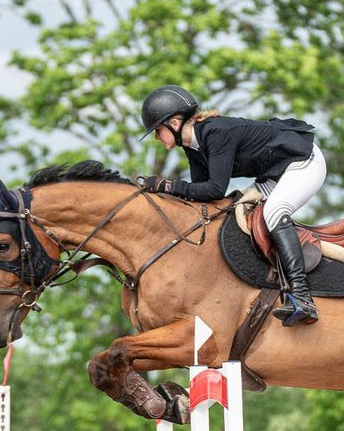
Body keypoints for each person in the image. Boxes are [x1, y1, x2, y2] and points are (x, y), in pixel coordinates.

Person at [139, 84, 326, 327]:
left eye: (157, 129)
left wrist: (166, 186)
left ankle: (302, 297)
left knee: (274, 211)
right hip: (274, 173)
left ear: (174, 123)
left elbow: (215, 189)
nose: (156, 137)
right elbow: (205, 197)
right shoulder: (192, 146)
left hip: (303, 162)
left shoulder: (216, 133)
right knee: (235, 210)